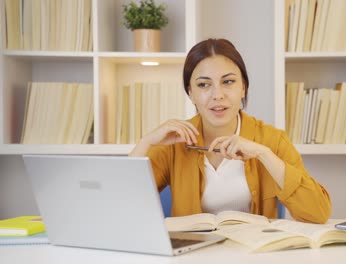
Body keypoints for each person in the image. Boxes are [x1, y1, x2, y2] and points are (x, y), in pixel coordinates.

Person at [129, 38, 331, 223]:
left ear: (243, 87)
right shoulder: (175, 142)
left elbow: (318, 213)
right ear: (191, 93)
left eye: (228, 82)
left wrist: (263, 154)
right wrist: (146, 142)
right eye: (203, 84)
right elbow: (120, 204)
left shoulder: (271, 139)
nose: (217, 95)